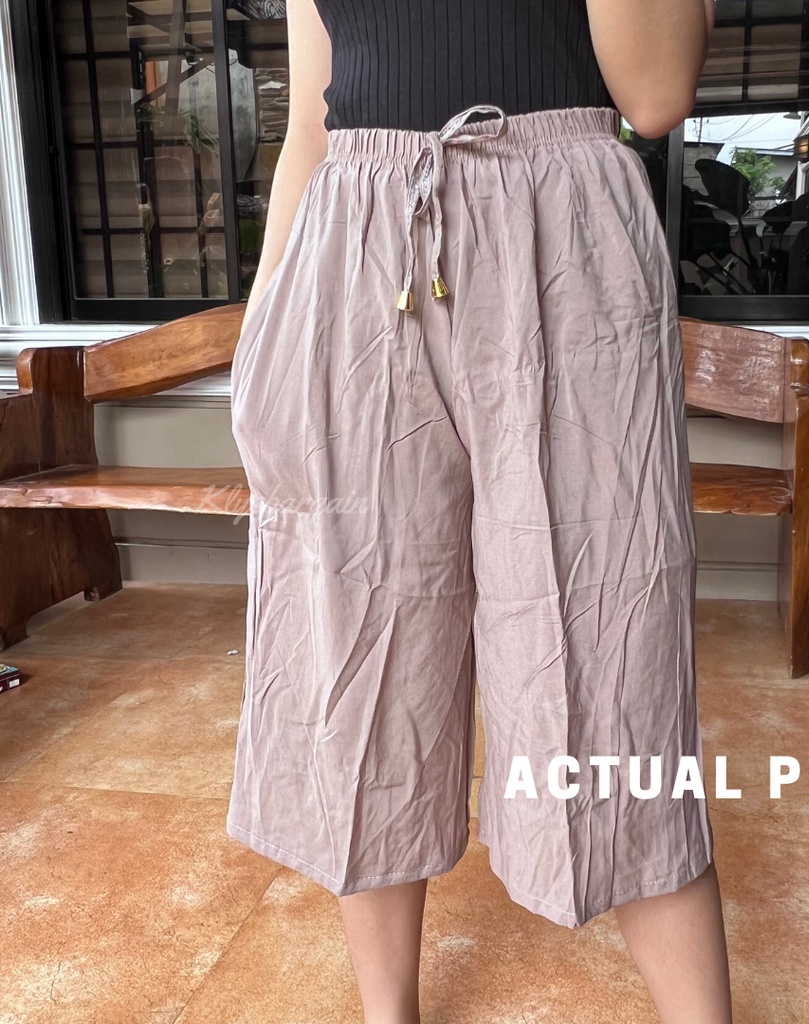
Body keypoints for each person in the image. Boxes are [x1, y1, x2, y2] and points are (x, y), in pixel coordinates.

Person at [226, 1, 732, 1022]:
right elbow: (315, 121)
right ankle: (389, 1015)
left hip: (561, 236)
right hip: (351, 249)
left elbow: (654, 93)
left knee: (611, 661)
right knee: (356, 646)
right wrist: (264, 332)